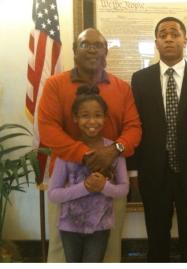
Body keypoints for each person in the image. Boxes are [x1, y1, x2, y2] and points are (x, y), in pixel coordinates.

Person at [38, 28, 141, 262]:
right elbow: (48, 130)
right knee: (62, 252)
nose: (92, 49)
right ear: (74, 51)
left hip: (110, 178)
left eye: (98, 45)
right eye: (85, 44)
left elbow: (134, 129)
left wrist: (113, 151)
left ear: (106, 51)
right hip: (65, 181)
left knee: (108, 249)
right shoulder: (55, 84)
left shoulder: (121, 87)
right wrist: (88, 155)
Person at [128, 17, 187, 262]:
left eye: (174, 33)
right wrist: (133, 171)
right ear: (156, 42)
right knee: (157, 238)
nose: (169, 38)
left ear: (185, 40)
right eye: (163, 34)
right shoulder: (140, 79)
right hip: (153, 174)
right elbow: (134, 126)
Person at [48, 85, 129, 262]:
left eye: (98, 115)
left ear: (105, 117)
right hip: (70, 226)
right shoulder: (68, 152)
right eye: (85, 116)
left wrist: (104, 186)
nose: (92, 121)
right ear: (75, 118)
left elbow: (123, 189)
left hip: (100, 226)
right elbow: (53, 194)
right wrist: (85, 187)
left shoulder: (113, 151)